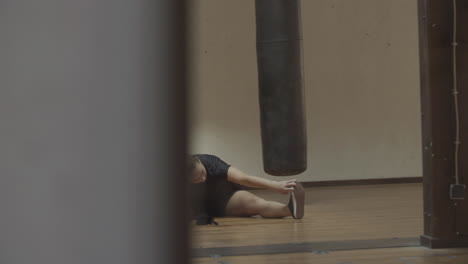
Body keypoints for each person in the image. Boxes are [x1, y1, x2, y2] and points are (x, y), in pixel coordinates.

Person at [188, 154, 305, 221]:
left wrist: (276, 185)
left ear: (198, 161)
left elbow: (244, 178)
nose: (202, 179)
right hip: (195, 206)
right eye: (196, 180)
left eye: (202, 173)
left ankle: (289, 210)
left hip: (225, 198)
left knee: (253, 202)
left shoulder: (211, 162)